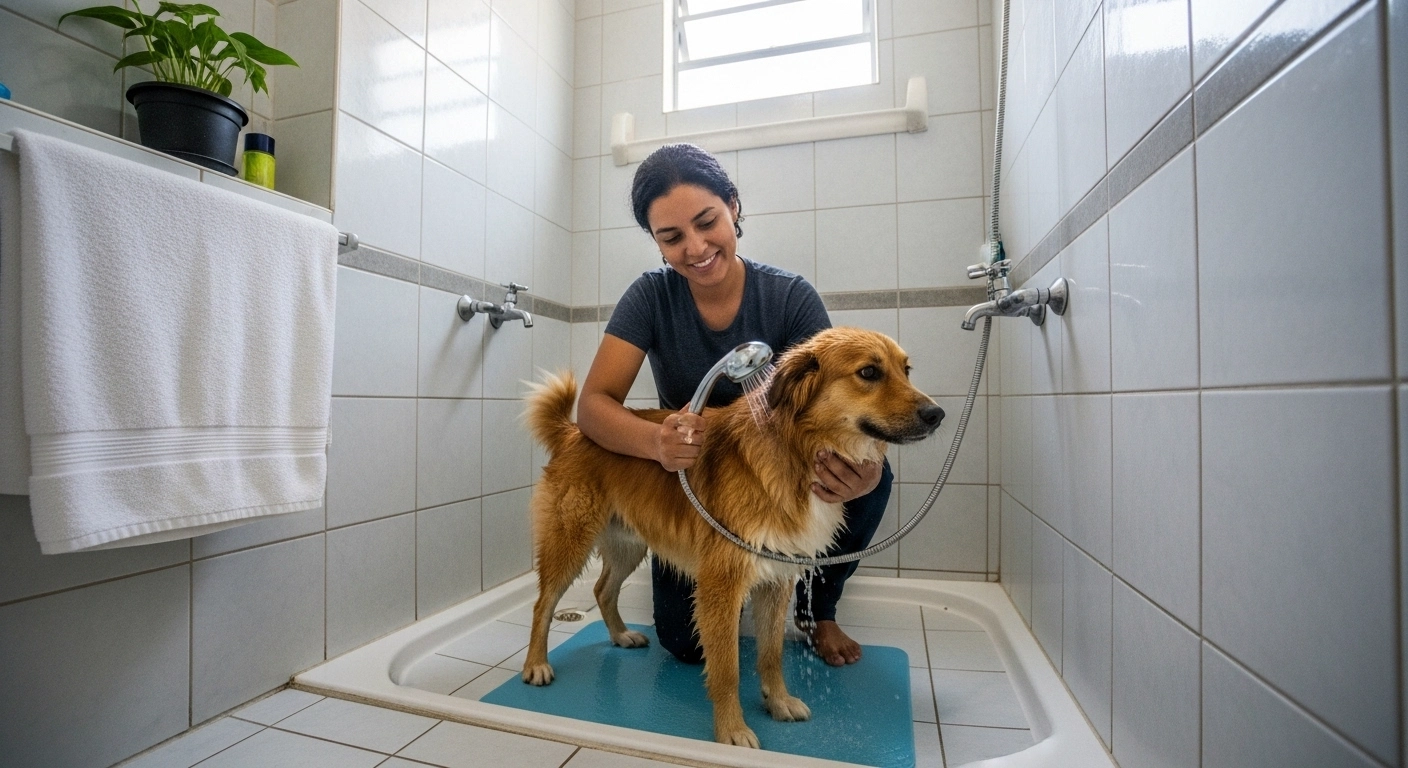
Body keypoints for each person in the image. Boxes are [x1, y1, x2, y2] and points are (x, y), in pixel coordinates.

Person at [576, 143, 892, 667]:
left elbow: (846, 404)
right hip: (696, 485)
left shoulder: (790, 298)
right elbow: (592, 406)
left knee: (873, 479)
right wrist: (655, 441)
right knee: (684, 643)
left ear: (733, 207)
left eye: (707, 222)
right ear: (655, 243)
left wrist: (869, 469)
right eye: (672, 237)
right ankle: (742, 587)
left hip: (779, 473)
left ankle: (818, 608)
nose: (696, 248)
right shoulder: (651, 297)